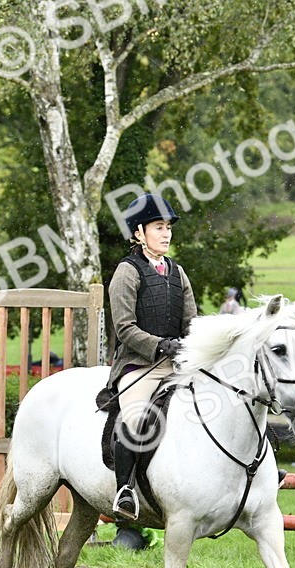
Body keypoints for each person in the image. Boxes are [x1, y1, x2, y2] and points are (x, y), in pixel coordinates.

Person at [107, 193, 197, 520]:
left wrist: (193, 344)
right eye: (159, 227)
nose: (166, 233)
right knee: (135, 417)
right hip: (139, 365)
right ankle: (125, 490)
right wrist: (159, 345)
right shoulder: (127, 272)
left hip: (177, 364)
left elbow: (191, 321)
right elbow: (124, 327)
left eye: (168, 227)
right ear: (139, 233)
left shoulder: (177, 272)